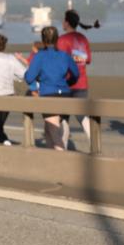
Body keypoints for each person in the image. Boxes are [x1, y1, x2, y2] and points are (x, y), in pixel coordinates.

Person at [24, 26, 80, 151]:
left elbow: (29, 78)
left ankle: (62, 164)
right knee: (49, 131)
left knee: (54, 134)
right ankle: (52, 162)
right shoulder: (64, 56)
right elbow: (76, 74)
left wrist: (34, 77)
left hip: (49, 95)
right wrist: (68, 82)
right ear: (57, 39)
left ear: (43, 40)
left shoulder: (39, 56)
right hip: (66, 95)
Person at [57, 10, 98, 149]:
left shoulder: (62, 40)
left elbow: (60, 63)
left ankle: (63, 148)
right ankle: (94, 144)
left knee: (63, 117)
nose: (62, 23)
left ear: (67, 22)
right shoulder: (83, 38)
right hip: (82, 83)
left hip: (66, 84)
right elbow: (88, 60)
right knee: (82, 115)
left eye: (63, 20)